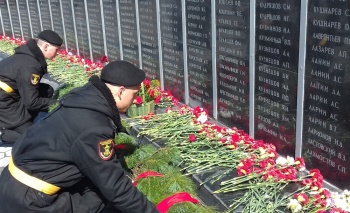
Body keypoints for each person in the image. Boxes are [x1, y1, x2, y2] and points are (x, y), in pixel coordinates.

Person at [0, 60, 159, 213]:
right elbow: (116, 188)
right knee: (102, 197)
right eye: (135, 94)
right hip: (31, 202)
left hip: (11, 182)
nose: (135, 101)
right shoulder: (94, 128)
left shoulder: (83, 98)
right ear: (121, 91)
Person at [0, 30, 63, 143]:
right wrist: (57, 103)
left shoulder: (28, 55)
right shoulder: (30, 66)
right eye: (56, 50)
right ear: (46, 47)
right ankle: (2, 133)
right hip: (4, 102)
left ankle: (27, 117)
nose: (57, 54)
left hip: (10, 93)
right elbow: (32, 103)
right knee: (33, 136)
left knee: (46, 90)